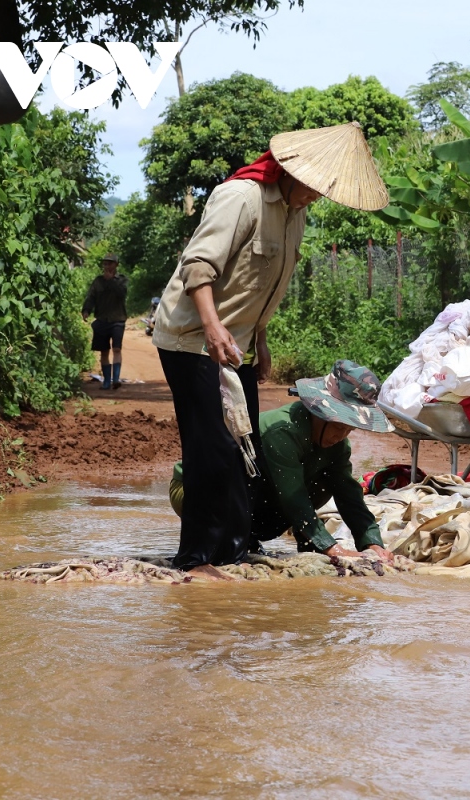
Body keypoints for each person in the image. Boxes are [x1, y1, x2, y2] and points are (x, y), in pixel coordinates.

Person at [151, 123, 387, 580]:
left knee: (247, 453)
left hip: (236, 344)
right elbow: (199, 265)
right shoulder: (241, 197)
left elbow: (263, 284)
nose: (315, 199)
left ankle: (233, 552)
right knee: (212, 449)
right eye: (314, 189)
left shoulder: (295, 212)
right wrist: (213, 326)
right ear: (291, 172)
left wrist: (259, 338)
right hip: (192, 338)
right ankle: (197, 559)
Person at [169, 360, 395, 561]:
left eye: (350, 429)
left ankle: (266, 539)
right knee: (279, 494)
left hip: (249, 496)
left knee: (330, 481)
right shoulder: (283, 430)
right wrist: (331, 548)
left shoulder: (338, 447)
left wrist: (371, 543)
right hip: (196, 490)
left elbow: (349, 496)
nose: (341, 436)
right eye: (338, 426)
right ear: (319, 413)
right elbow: (293, 497)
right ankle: (230, 539)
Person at [81, 253, 128, 390]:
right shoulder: (98, 281)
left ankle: (116, 379)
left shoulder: (122, 280)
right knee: (104, 351)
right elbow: (91, 297)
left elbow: (122, 294)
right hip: (102, 320)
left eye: (110, 263)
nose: (107, 266)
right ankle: (107, 381)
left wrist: (112, 281)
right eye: (105, 263)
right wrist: (86, 310)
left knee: (117, 348)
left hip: (118, 320)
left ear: (116, 265)